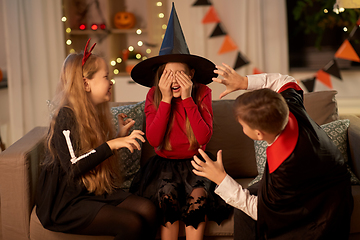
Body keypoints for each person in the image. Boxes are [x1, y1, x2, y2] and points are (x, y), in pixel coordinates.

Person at [191, 63, 354, 239]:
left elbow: (261, 211)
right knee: (242, 210)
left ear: (258, 134)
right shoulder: (288, 108)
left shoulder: (284, 169)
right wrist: (244, 82)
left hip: (320, 209)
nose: (241, 128)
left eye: (242, 126)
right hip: (318, 177)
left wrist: (221, 179)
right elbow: (286, 81)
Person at [35, 39, 158, 240]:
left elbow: (94, 154)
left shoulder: (93, 114)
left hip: (88, 191)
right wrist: (112, 144)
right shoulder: (66, 116)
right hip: (66, 201)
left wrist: (119, 137)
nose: (111, 82)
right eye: (106, 77)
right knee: (132, 223)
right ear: (86, 84)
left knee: (149, 209)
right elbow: (74, 166)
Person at [129, 4, 231, 240]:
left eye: (180, 74)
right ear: (159, 76)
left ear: (191, 74)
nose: (174, 81)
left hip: (198, 164)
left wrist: (186, 99)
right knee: (168, 201)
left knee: (198, 202)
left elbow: (204, 137)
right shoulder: (154, 95)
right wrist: (165, 99)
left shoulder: (202, 92)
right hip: (164, 167)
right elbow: (154, 139)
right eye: (167, 74)